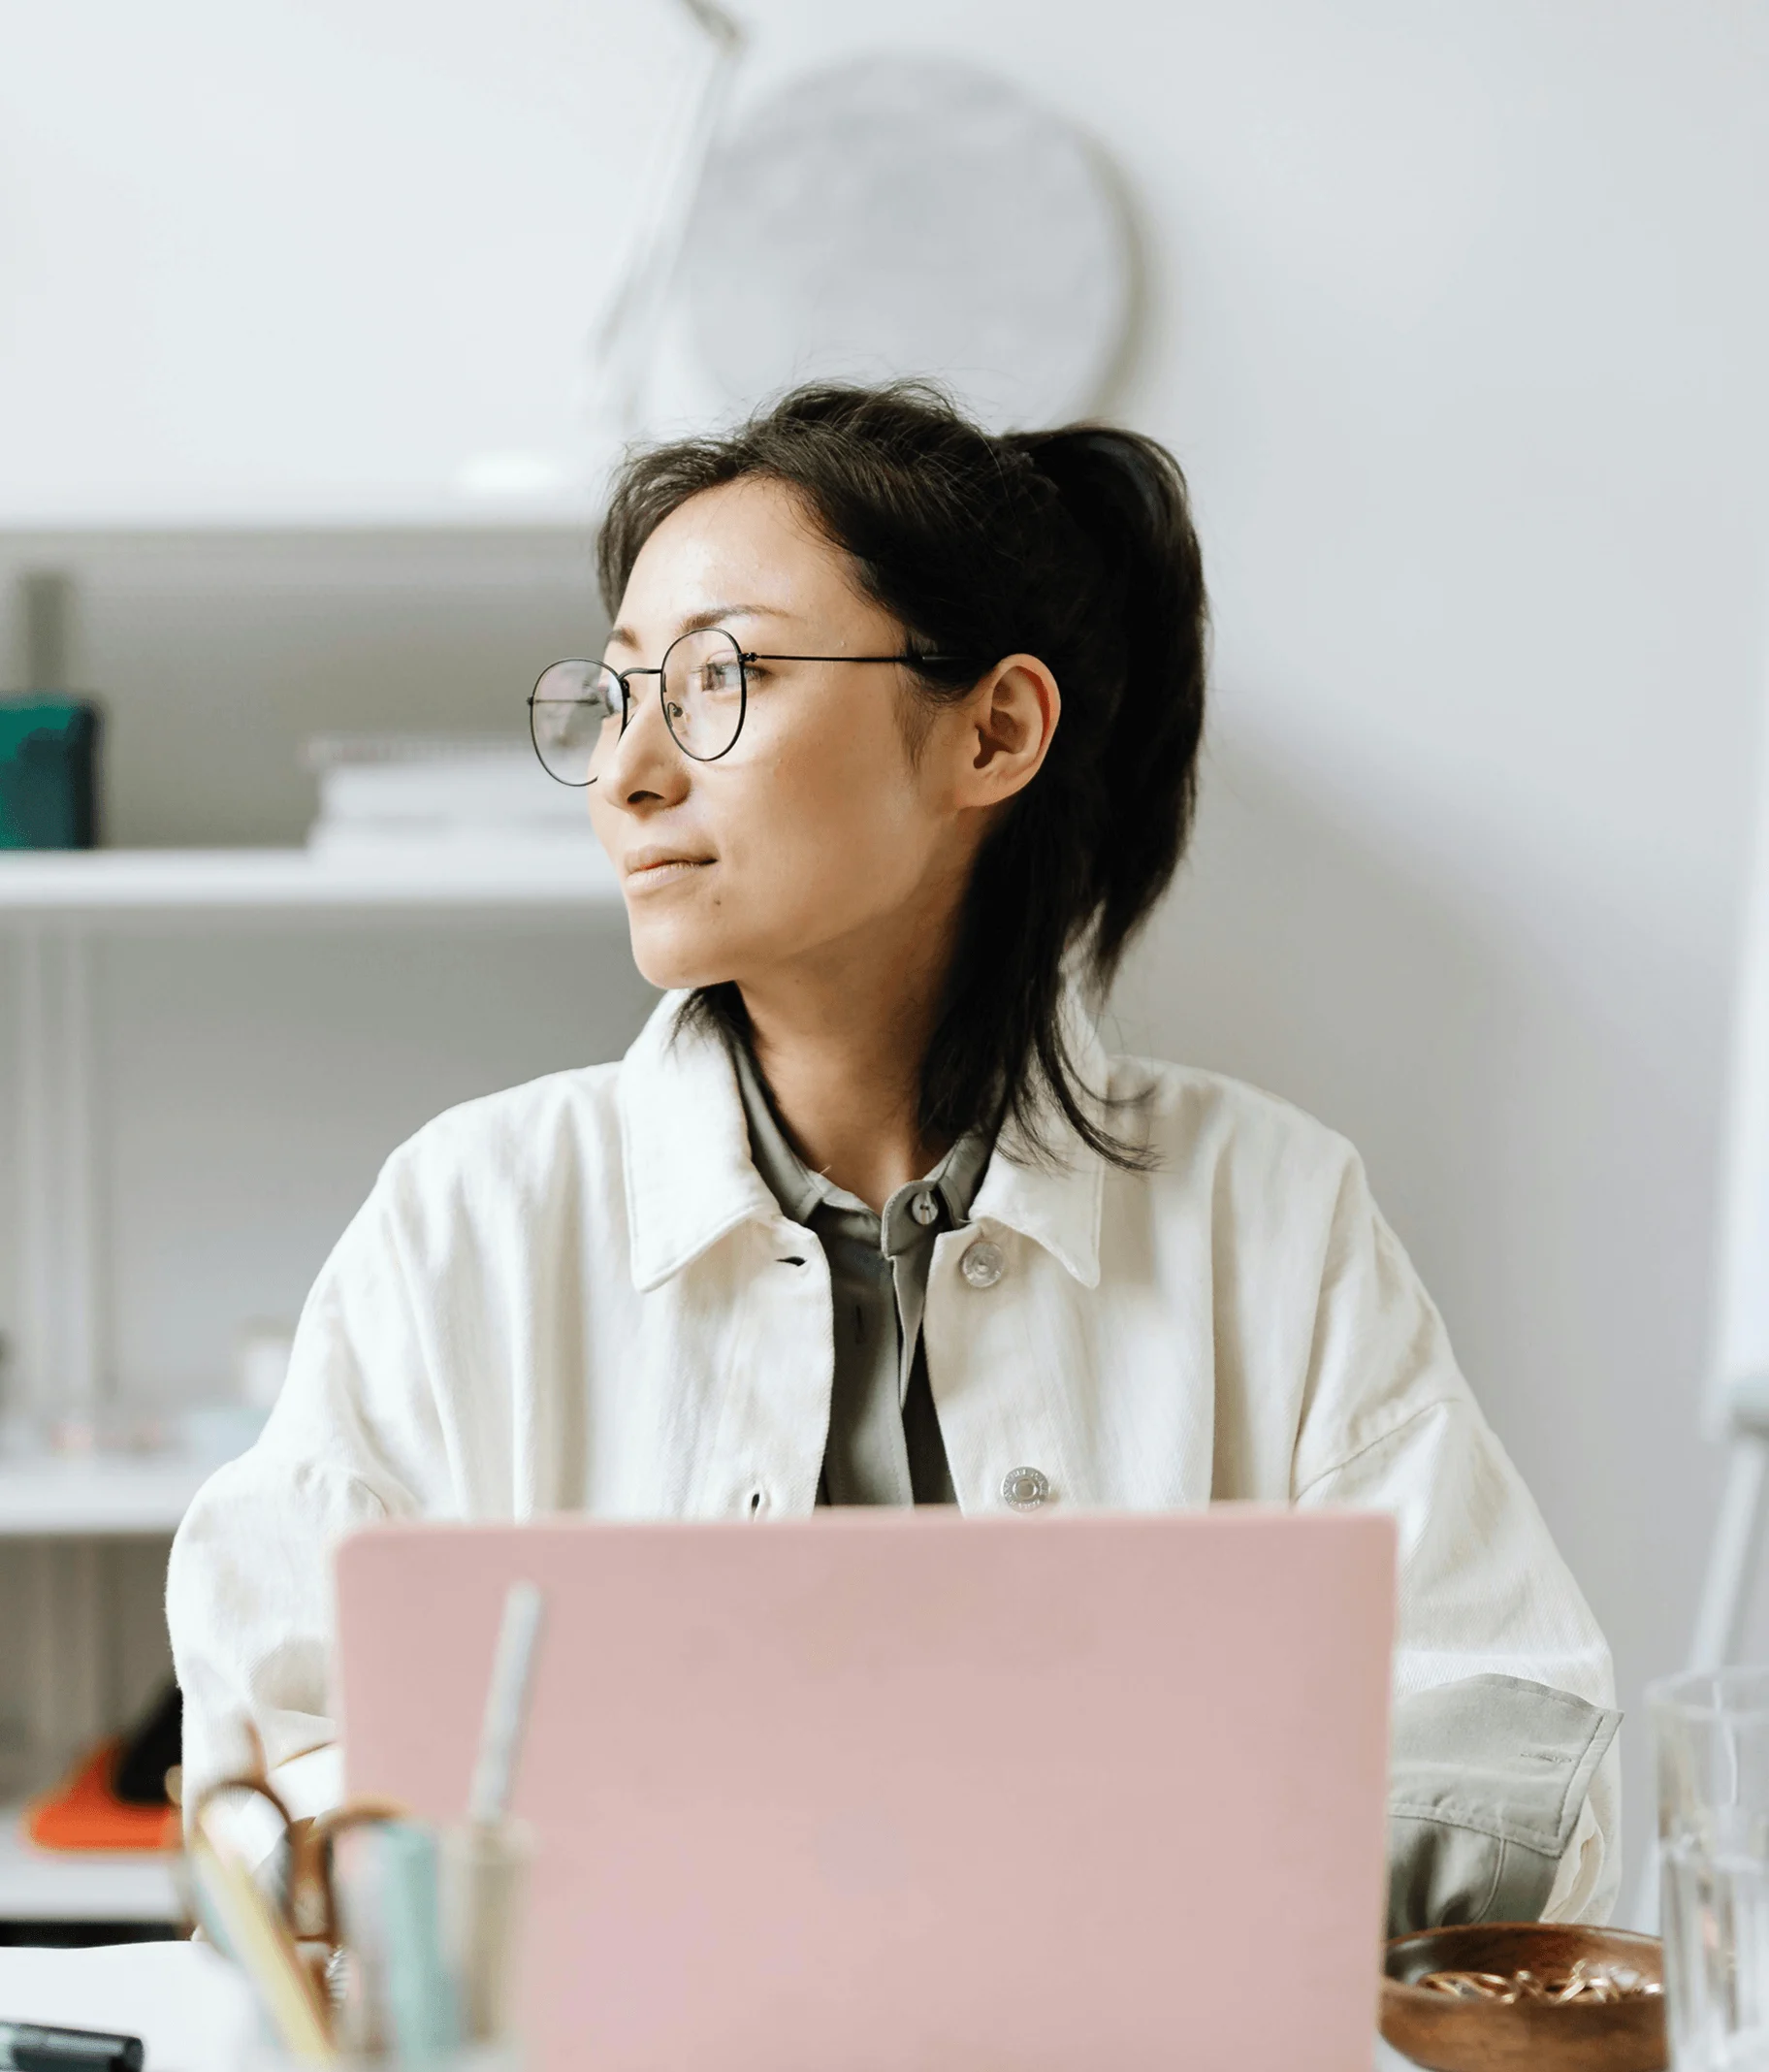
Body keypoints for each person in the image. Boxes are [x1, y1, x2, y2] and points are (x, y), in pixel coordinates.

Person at [168, 382, 1620, 1927]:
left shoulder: (1271, 1213)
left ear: (993, 731)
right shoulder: (469, 1216)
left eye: (720, 679)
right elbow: (268, 1753)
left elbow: (1512, 1764)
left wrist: (1104, 1887)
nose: (627, 772)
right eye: (619, 691)